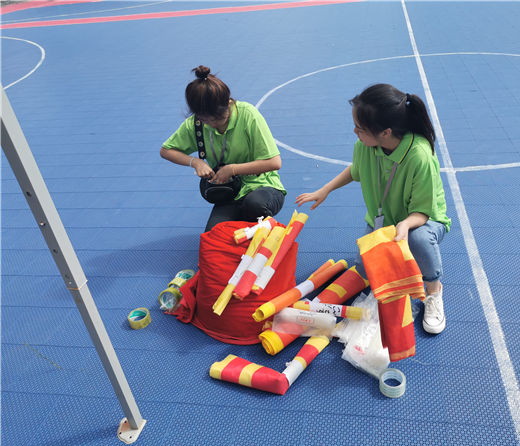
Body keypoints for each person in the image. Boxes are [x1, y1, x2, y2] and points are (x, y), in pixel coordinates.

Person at [295, 84, 451, 334]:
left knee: (418, 239)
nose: (355, 132)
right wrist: (325, 189)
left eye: (360, 128)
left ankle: (433, 291)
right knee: (365, 271)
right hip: (385, 219)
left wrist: (404, 225)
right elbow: (355, 170)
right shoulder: (365, 146)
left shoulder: (420, 156)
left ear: (386, 132)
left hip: (420, 220)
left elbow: (422, 212)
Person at [160, 65, 286, 232]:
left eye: (219, 119)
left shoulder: (248, 114)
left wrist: (232, 169)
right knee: (214, 234)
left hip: (262, 186)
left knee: (254, 205)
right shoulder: (196, 123)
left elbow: (274, 162)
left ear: (228, 103)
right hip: (229, 192)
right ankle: (247, 226)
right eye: (207, 120)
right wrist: (195, 162)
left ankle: (263, 229)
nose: (213, 124)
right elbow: (166, 151)